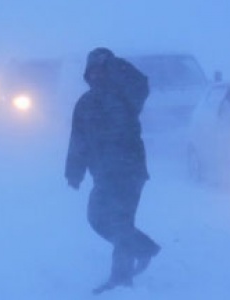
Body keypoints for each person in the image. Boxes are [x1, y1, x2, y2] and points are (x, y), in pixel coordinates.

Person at [65, 47, 161, 295]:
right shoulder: (84, 103)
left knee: (120, 223)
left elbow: (141, 84)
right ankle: (144, 248)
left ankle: (121, 279)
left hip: (130, 172)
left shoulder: (126, 96)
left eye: (102, 70)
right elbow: (78, 139)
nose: (97, 75)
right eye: (93, 71)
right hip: (103, 175)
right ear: (87, 74)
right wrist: (74, 171)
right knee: (96, 218)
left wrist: (115, 64)